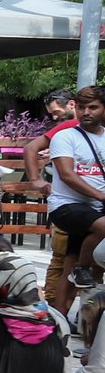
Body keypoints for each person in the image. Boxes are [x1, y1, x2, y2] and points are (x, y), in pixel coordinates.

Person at [49, 84, 105, 287]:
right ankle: (82, 268)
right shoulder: (65, 136)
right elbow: (67, 175)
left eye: (92, 107)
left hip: (95, 211)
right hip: (67, 206)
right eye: (81, 107)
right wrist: (100, 196)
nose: (85, 112)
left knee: (68, 267)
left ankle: (63, 316)